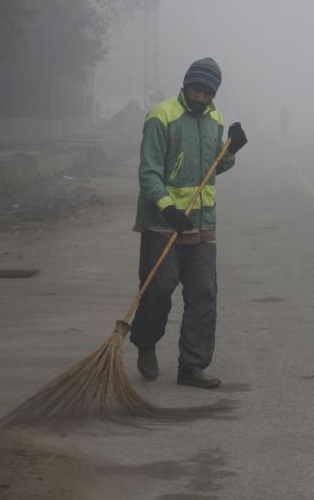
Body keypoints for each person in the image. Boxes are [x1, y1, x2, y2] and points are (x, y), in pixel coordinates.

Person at [130, 57, 247, 389]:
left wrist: (232, 150)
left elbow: (214, 168)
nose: (201, 97)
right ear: (185, 85)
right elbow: (149, 172)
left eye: (208, 93)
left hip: (201, 223)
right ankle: (145, 341)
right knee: (159, 288)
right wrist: (167, 209)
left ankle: (192, 366)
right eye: (196, 89)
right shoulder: (161, 116)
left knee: (203, 293)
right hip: (163, 223)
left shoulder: (214, 119)